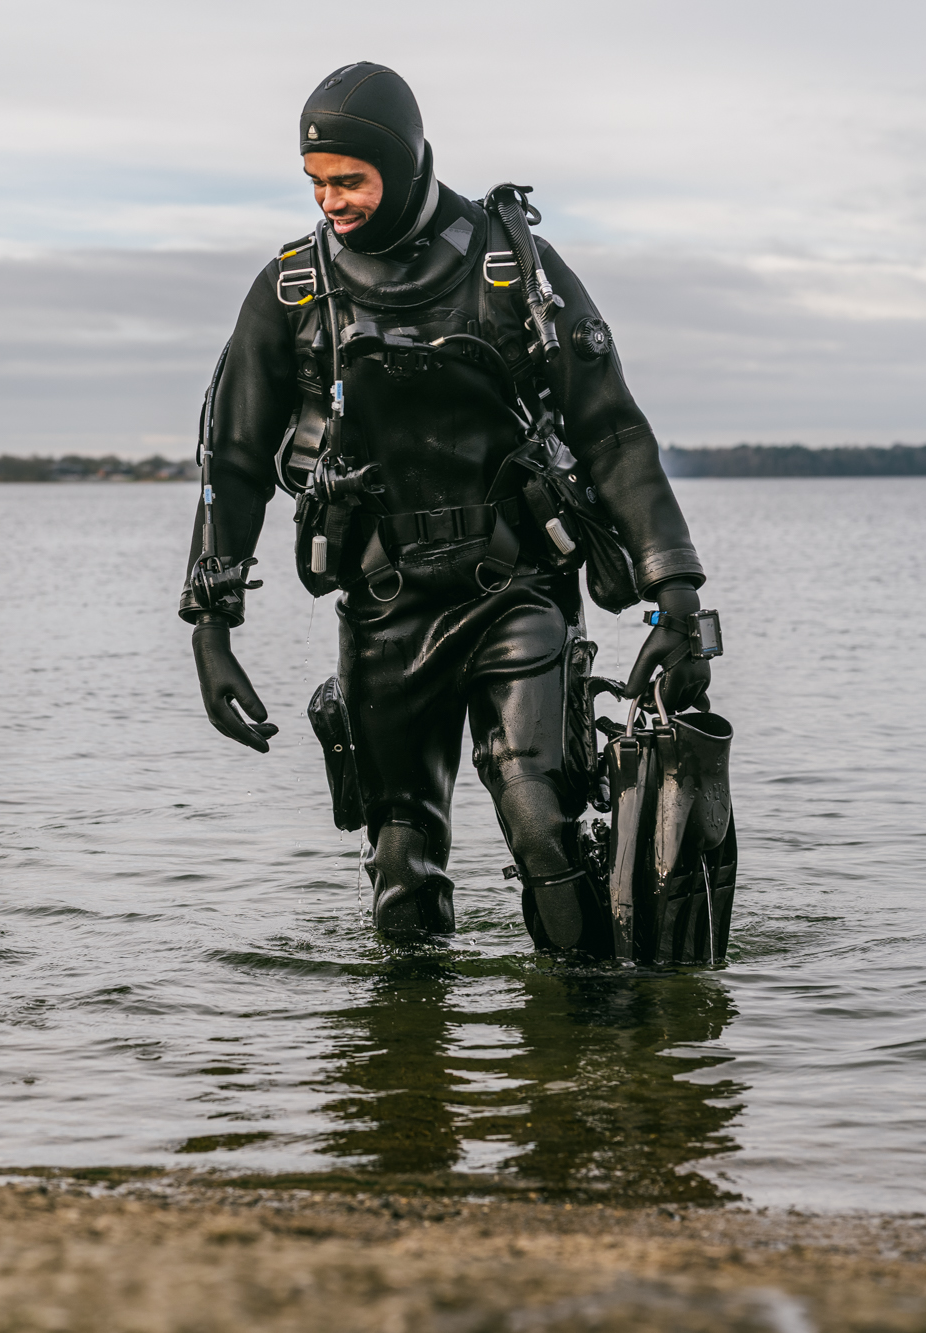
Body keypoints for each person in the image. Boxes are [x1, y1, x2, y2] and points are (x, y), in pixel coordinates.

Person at [181, 64, 716, 957]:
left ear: (403, 162)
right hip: (384, 607)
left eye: (350, 180)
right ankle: (405, 1040)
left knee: (541, 823)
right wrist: (211, 627)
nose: (330, 201)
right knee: (401, 868)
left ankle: (593, 1027)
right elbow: (232, 461)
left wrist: (677, 591)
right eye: (315, 182)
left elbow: (612, 432)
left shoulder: (515, 269)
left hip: (517, 588)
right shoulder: (292, 290)